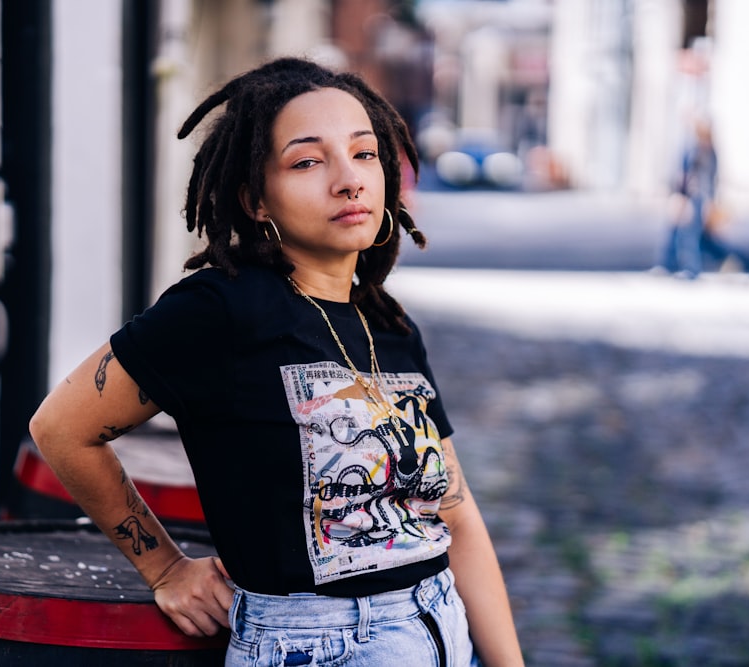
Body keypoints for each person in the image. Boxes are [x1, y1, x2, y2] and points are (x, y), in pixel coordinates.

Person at [29, 57, 525, 667]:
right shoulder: (221, 310)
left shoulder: (389, 325)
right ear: (256, 200)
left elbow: (457, 515)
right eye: (307, 161)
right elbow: (61, 428)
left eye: (364, 154)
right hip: (323, 647)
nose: (349, 180)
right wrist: (164, 568)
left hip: (444, 628)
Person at [656, 116, 749, 278]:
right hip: (692, 199)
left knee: (690, 236)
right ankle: (669, 265)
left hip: (697, 200)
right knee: (695, 238)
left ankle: (691, 269)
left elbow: (701, 181)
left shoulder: (705, 152)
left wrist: (698, 202)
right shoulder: (696, 148)